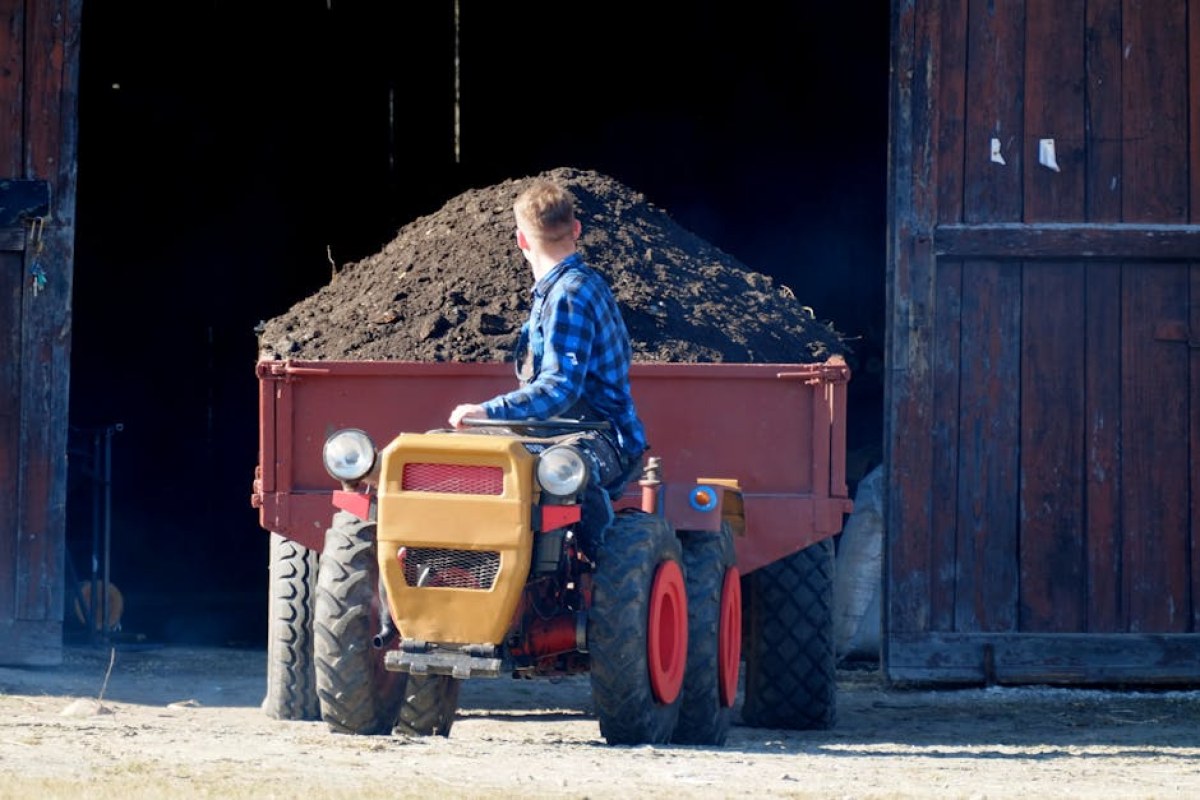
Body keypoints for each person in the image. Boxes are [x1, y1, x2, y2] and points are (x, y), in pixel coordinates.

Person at [448, 178, 647, 505]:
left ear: (521, 240)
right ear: (577, 229)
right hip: (560, 430)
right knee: (442, 447)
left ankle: (580, 549)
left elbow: (560, 388)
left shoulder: (568, 296)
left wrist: (487, 411)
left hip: (594, 437)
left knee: (549, 475)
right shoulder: (575, 286)